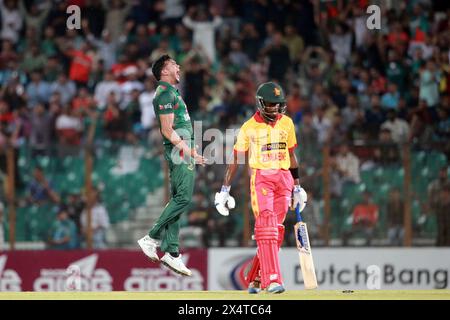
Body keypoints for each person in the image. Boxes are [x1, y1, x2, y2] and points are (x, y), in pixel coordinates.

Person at [214, 82, 307, 294]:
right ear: (261, 103)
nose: (275, 108)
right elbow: (235, 159)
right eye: (271, 104)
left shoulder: (287, 124)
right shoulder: (248, 127)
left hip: (284, 179)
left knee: (277, 230)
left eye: (278, 104)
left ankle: (254, 276)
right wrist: (224, 189)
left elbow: (291, 155)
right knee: (266, 226)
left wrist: (297, 186)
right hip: (262, 178)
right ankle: (272, 279)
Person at [137, 55, 206, 276]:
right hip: (179, 150)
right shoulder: (165, 94)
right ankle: (151, 237)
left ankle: (172, 253)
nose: (179, 67)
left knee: (178, 198)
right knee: (184, 197)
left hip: (181, 148)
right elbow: (167, 131)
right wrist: (190, 150)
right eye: (174, 64)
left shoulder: (172, 93)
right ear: (164, 71)